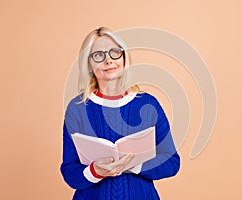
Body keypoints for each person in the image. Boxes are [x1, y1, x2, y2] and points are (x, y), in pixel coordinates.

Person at [60, 27, 180, 200]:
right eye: (99, 55)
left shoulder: (148, 104)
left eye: (114, 52)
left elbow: (172, 163)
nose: (109, 60)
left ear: (124, 57)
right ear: (89, 64)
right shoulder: (77, 109)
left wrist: (134, 164)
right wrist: (95, 171)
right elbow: (70, 172)